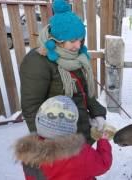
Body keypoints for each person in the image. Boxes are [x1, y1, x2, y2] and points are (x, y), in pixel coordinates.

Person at [20, 0, 106, 145]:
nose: (78, 45)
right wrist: (45, 145)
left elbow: (83, 91)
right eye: (73, 40)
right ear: (57, 39)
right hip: (59, 143)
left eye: (80, 40)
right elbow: (31, 108)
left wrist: (97, 113)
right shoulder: (37, 62)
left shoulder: (75, 57)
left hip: (82, 132)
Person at [14, 95, 113, 179]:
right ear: (71, 126)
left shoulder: (29, 154)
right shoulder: (81, 153)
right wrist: (102, 140)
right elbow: (104, 163)